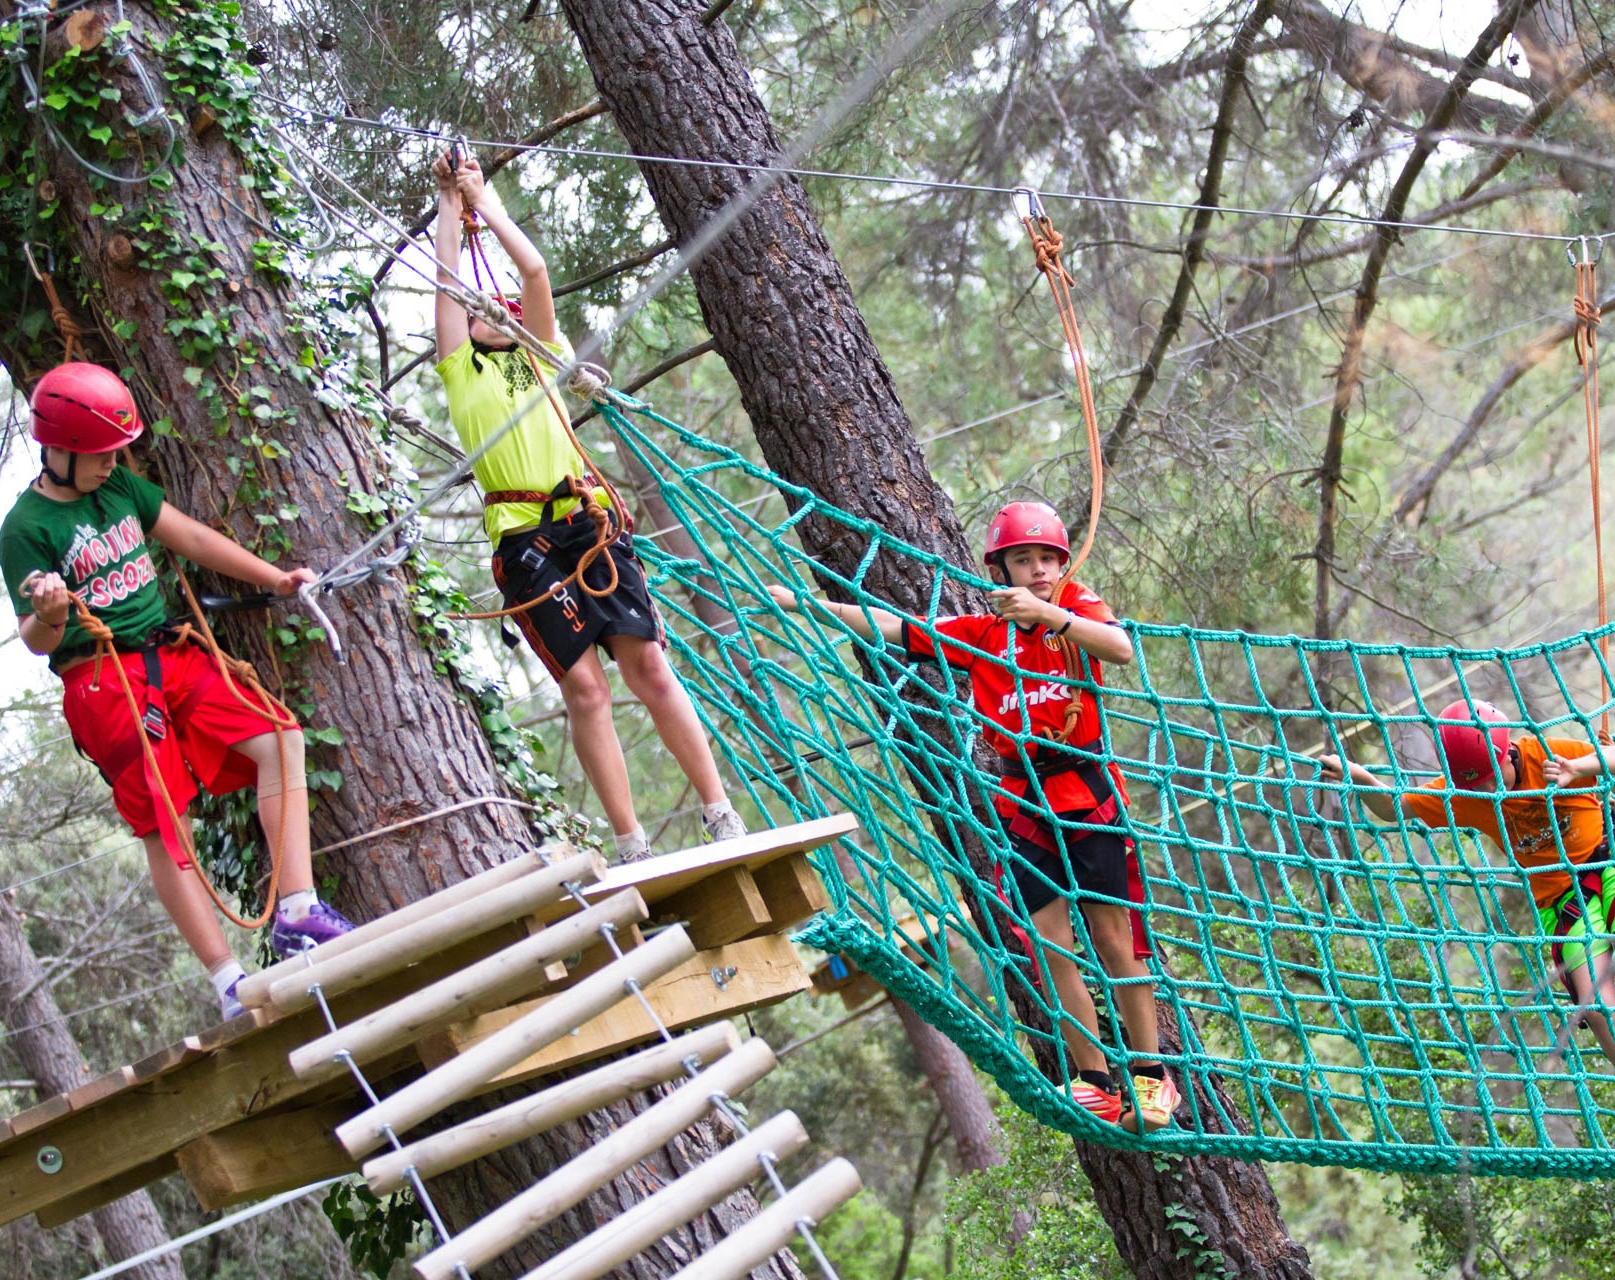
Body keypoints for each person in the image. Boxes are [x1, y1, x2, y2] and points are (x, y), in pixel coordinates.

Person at [770, 502, 1178, 1131]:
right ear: (1001, 567)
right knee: (1050, 947)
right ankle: (1094, 1079)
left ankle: (1153, 1082)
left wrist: (1051, 615)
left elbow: (1120, 649)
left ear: (1063, 564)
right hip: (1023, 804)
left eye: (1047, 558)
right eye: (1023, 559)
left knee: (1115, 940)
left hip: (1087, 794)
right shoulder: (985, 634)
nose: (1037, 569)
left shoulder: (1077, 608)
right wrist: (804, 606)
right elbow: (896, 629)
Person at [0, 361, 354, 1021]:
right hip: (104, 682)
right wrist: (49, 612)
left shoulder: (121, 487)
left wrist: (272, 578)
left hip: (170, 654)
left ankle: (299, 913)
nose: (113, 461)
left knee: (280, 738)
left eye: (116, 451)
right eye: (101, 453)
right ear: (60, 449)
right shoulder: (25, 529)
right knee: (167, 829)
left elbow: (186, 535)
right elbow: (36, 639)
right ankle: (228, 985)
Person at [431, 151, 745, 860]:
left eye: (499, 308)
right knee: (586, 689)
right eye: (478, 311)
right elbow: (450, 280)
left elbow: (535, 273)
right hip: (526, 540)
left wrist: (489, 200)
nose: (487, 313)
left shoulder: (542, 353)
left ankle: (719, 810)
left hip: (589, 523)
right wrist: (452, 206)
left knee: (651, 668)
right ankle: (631, 840)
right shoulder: (460, 372)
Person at [1319, 700, 1615, 1152]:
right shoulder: (1468, 795)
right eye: (1476, 781)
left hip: (1611, 868)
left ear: (1507, 754)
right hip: (1563, 905)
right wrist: (1361, 777)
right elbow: (1394, 808)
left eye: (1490, 774)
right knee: (1599, 1011)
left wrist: (1578, 766)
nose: (1487, 788)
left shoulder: (1546, 755)